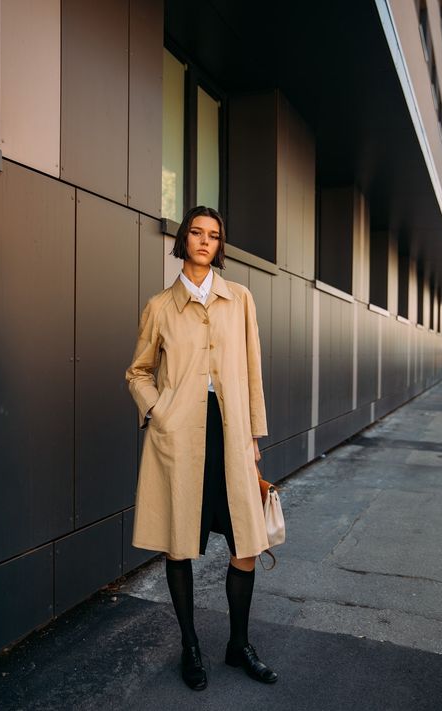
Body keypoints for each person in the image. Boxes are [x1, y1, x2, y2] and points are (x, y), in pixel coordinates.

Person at [125, 206, 278, 690]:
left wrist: (254, 437)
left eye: (213, 235)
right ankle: (190, 645)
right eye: (196, 232)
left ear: (220, 244)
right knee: (179, 544)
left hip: (231, 436)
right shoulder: (159, 307)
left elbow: (253, 371)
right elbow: (138, 372)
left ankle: (238, 645)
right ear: (183, 240)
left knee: (247, 545)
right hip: (178, 437)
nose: (205, 241)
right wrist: (157, 411)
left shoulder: (242, 300)